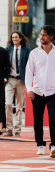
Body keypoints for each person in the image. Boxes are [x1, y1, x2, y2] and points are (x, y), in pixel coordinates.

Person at [26, 25, 55, 157]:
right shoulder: (34, 53)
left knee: (53, 119)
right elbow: (28, 72)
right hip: (37, 91)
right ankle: (40, 145)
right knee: (37, 119)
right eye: (41, 35)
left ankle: (54, 145)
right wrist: (29, 88)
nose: (41, 37)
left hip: (53, 92)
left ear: (51, 37)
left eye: (44, 35)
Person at [5, 30, 31, 137]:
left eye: (16, 37)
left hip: (21, 80)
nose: (14, 39)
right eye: (13, 37)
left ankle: (17, 129)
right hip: (10, 80)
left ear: (21, 38)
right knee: (8, 104)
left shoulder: (26, 50)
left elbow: (30, 65)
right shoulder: (8, 49)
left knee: (19, 106)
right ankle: (9, 129)